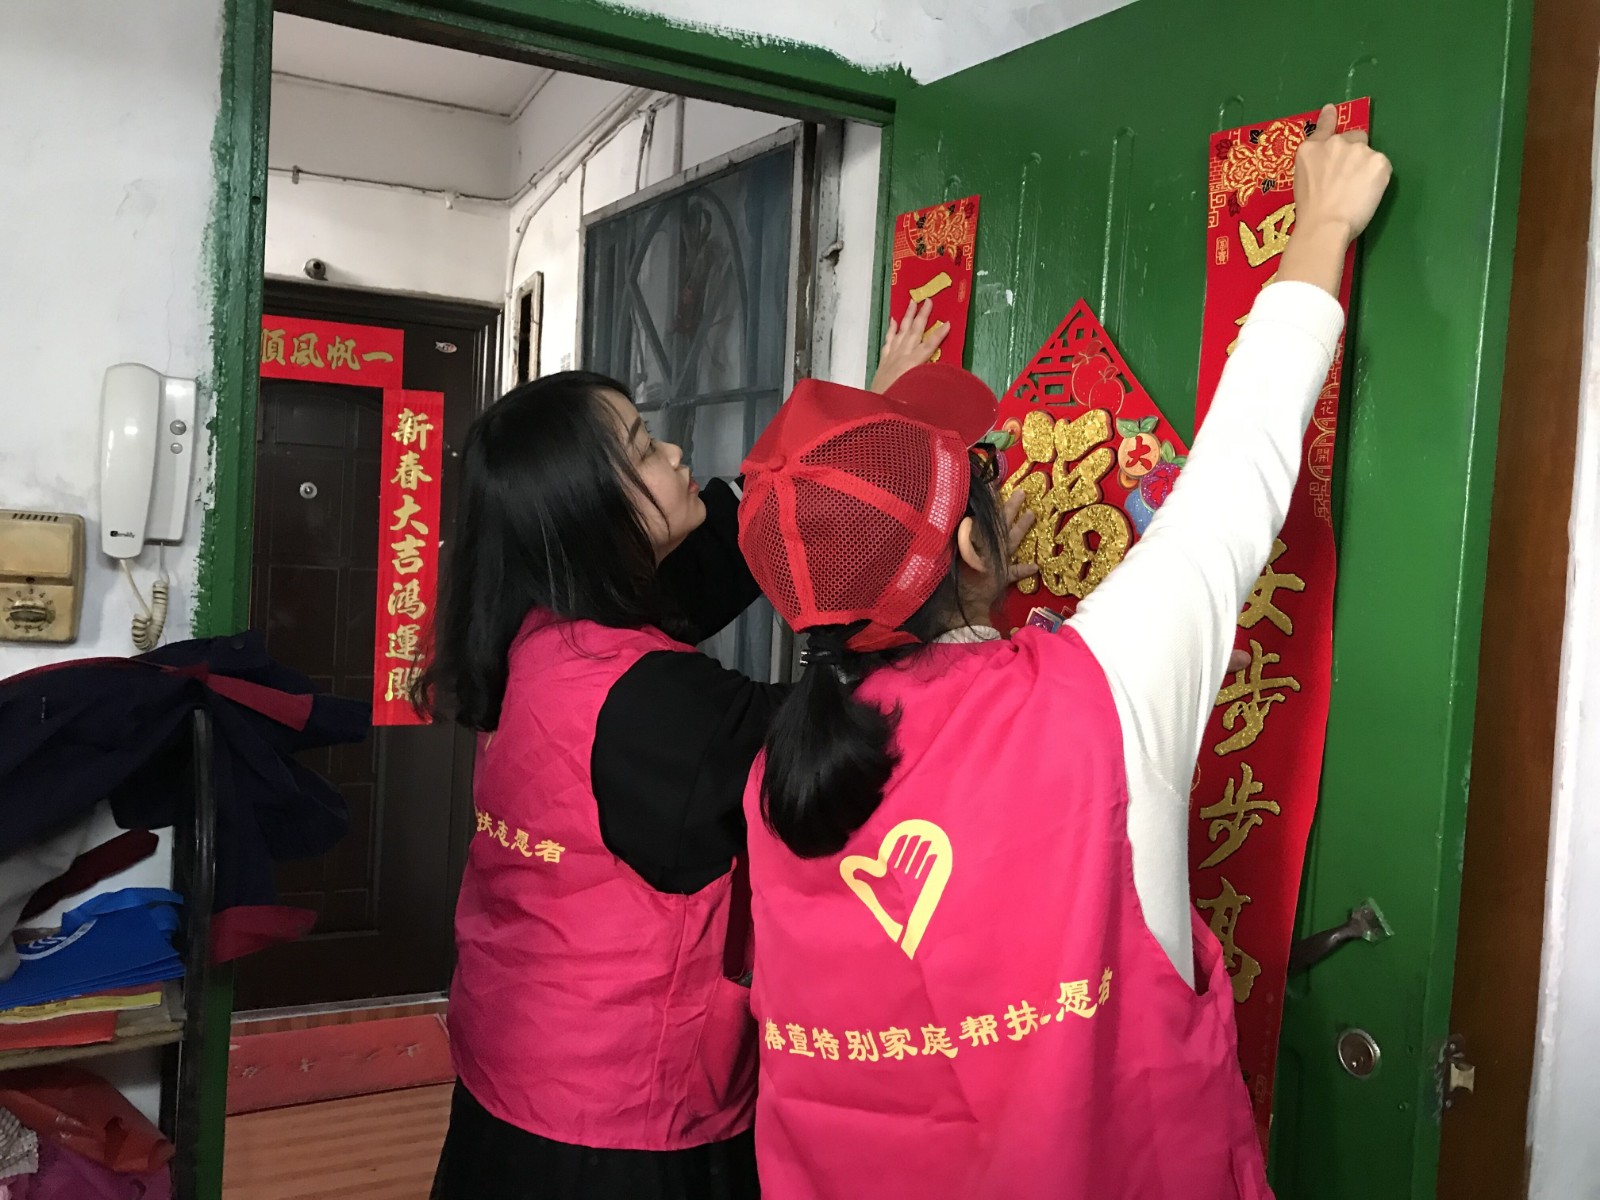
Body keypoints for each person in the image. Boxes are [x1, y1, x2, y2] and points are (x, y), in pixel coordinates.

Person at [734, 105, 1391, 1199]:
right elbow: (1232, 485)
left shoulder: (780, 772)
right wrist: (1318, 224)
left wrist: (916, 519)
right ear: (975, 545)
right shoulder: (1093, 695)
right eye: (985, 482)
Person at [416, 298, 966, 1199]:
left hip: (514, 1067)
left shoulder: (539, 629)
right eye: (642, 448)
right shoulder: (648, 705)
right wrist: (973, 622)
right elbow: (840, 736)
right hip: (617, 1121)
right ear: (589, 512)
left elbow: (743, 534)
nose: (675, 454)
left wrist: (869, 420)